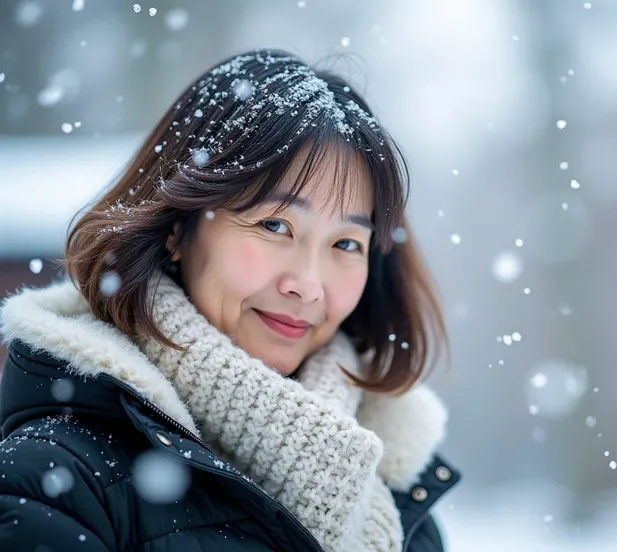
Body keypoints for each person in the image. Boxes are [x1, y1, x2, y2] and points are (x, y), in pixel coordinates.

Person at [0, 49, 460, 552]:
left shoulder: (396, 496)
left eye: (346, 244)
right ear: (179, 227)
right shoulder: (58, 483)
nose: (308, 283)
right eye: (275, 225)